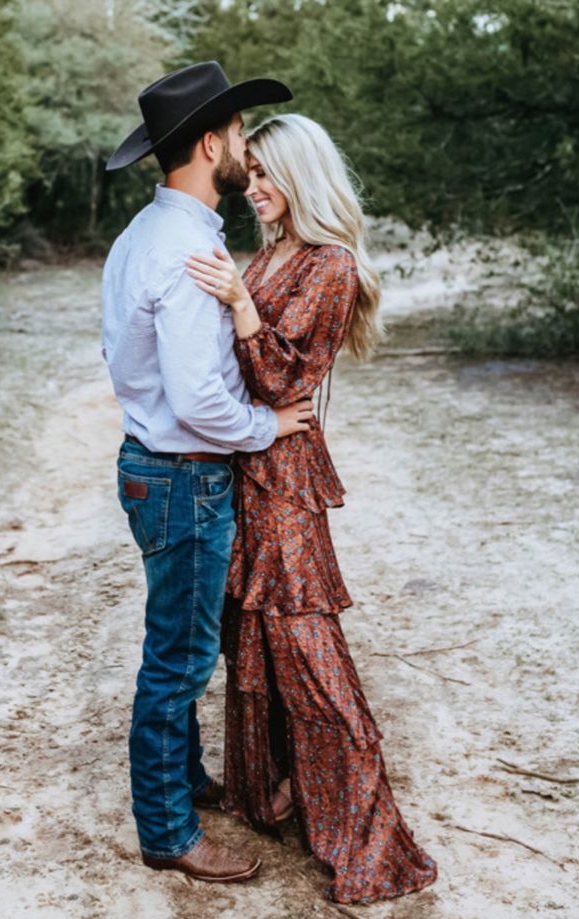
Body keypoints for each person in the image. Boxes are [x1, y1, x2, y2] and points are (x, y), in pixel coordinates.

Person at [185, 113, 438, 904]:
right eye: (249, 172)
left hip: (285, 483)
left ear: (303, 178)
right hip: (243, 470)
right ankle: (272, 792)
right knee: (247, 638)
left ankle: (373, 841)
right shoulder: (272, 253)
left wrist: (239, 304)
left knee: (310, 656)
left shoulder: (330, 265)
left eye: (267, 175)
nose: (253, 188)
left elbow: (280, 380)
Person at [101, 62, 315, 885]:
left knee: (179, 638)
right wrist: (267, 424)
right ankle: (168, 831)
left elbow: (126, 355)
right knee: (179, 660)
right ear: (209, 142)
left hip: (150, 465)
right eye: (237, 136)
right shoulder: (186, 248)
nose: (244, 150)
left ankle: (183, 782)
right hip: (184, 471)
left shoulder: (141, 235)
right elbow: (198, 400)